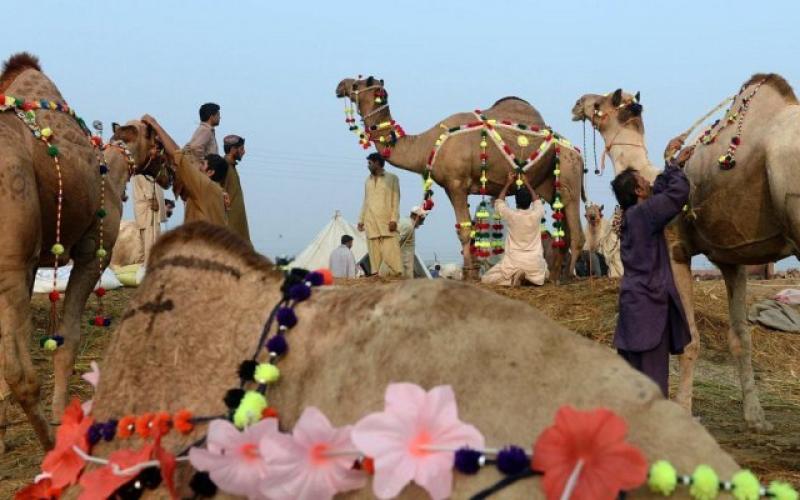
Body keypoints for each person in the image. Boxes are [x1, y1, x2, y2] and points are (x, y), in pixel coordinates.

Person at [610, 135, 694, 397]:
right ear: (638, 192)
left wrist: (670, 164)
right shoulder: (646, 214)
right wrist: (673, 164)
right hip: (650, 311)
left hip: (634, 308)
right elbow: (677, 194)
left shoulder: (632, 216)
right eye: (643, 181)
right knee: (653, 386)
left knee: (630, 385)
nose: (648, 181)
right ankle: (653, 433)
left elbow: (658, 190)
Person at [140, 115, 229, 227]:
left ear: (210, 172)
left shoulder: (203, 185)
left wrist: (155, 124)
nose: (198, 166)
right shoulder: (216, 191)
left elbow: (178, 155)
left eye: (203, 164)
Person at [481, 172, 548, 286]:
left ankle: (512, 280)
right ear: (530, 202)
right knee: (544, 271)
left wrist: (508, 183)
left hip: (513, 263)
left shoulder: (511, 215)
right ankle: (528, 278)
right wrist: (527, 183)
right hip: (534, 263)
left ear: (516, 203)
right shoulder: (537, 214)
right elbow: (536, 201)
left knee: (486, 279)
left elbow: (499, 202)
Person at [358, 152, 402, 277]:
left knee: (392, 253)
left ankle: (397, 276)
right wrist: (361, 220)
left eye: (370, 163)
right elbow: (366, 201)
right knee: (374, 253)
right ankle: (376, 276)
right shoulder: (367, 181)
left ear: (377, 163)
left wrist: (394, 219)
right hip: (370, 221)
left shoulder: (392, 178)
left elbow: (396, 200)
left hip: (386, 221)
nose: (368, 166)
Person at [132, 173, 166, 264]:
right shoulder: (143, 173)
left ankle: (146, 266)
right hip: (149, 211)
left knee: (147, 242)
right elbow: (149, 194)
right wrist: (152, 200)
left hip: (148, 211)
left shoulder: (146, 172)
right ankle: (150, 266)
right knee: (150, 242)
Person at [223, 135, 251, 245]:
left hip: (238, 225)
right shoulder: (223, 167)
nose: (244, 152)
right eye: (241, 149)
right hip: (230, 226)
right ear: (233, 149)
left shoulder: (232, 167)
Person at [397, 207, 427, 278]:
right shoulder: (409, 226)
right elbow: (396, 243)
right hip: (403, 265)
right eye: (421, 220)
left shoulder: (404, 221)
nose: (422, 223)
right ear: (415, 216)